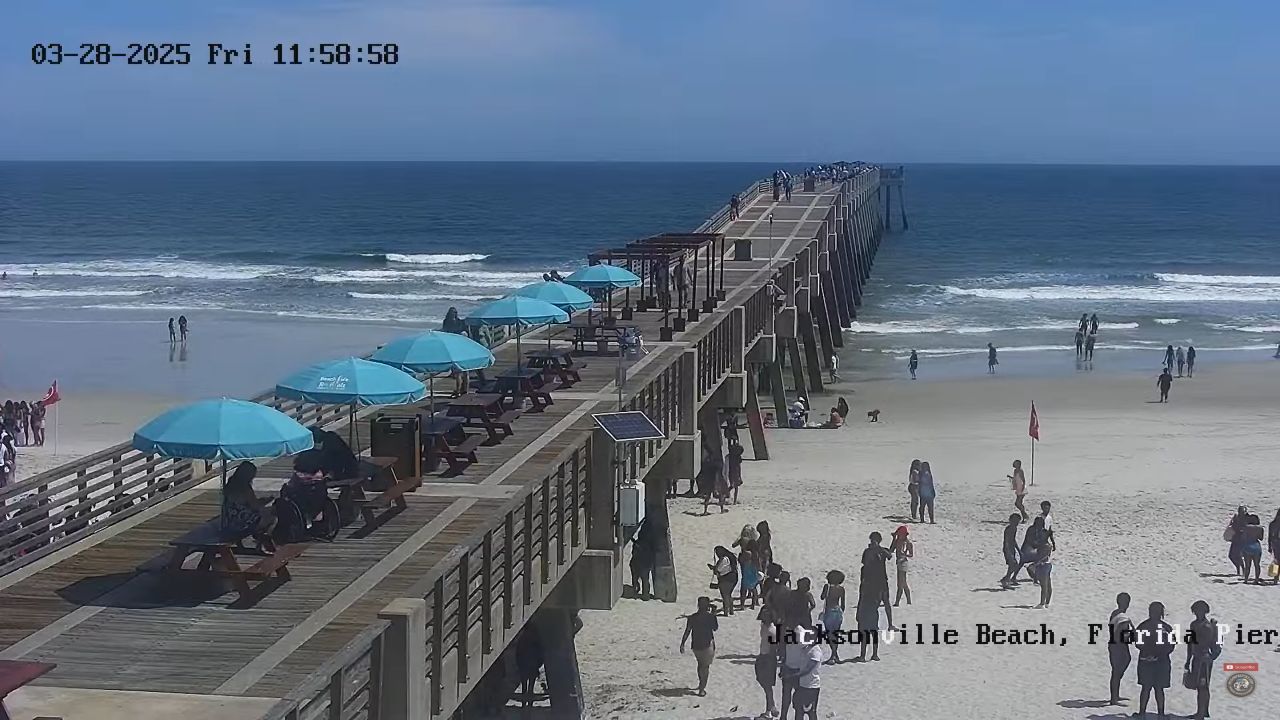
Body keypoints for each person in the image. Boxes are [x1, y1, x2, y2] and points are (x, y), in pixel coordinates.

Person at [221, 461, 277, 547]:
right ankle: (262, 536)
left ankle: (260, 536)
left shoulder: (230, 484)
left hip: (229, 520)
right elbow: (255, 506)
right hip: (242, 524)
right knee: (273, 514)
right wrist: (266, 501)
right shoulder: (245, 488)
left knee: (266, 512)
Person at [1134, 601, 1174, 719]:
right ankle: (1160, 714)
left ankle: (1142, 713)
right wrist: (1159, 654)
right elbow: (1171, 646)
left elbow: (1138, 644)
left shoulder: (1143, 626)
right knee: (1159, 689)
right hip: (1162, 661)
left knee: (1146, 688)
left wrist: (1149, 653)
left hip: (1146, 660)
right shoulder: (1166, 628)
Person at [1185, 600, 1221, 720]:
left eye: (1199, 611)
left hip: (1204, 660)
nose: (1197, 613)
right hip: (1198, 658)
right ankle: (1203, 711)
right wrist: (1188, 659)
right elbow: (1190, 643)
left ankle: (1201, 713)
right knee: (1201, 686)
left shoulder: (1207, 626)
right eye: (1196, 611)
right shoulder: (1195, 624)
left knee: (1203, 686)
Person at [679, 596, 719, 697]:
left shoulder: (692, 617)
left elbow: (687, 631)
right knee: (705, 667)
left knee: (700, 664)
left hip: (696, 645)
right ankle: (702, 689)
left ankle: (701, 683)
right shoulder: (710, 617)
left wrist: (682, 643)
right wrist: (714, 614)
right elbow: (715, 628)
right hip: (707, 645)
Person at [790, 627, 827, 719]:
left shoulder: (816, 651)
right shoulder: (806, 648)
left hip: (811, 687)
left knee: (810, 711)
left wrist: (793, 676)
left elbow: (808, 669)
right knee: (799, 710)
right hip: (803, 685)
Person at [1108, 592, 1135, 705]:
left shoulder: (1115, 613)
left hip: (1114, 644)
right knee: (1117, 671)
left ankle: (1115, 694)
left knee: (1117, 670)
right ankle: (1114, 698)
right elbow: (1123, 634)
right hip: (1119, 645)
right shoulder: (1123, 617)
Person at [754, 611, 779, 720]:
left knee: (767, 685)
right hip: (763, 656)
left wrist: (768, 661)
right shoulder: (764, 627)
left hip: (768, 659)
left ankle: (769, 711)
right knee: (763, 682)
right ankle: (772, 705)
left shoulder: (771, 631)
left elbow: (773, 649)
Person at [819, 570, 846, 664]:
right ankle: (835, 656)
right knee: (836, 634)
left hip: (829, 612)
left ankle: (833, 655)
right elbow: (843, 604)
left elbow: (822, 597)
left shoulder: (827, 587)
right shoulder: (841, 589)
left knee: (829, 634)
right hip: (838, 611)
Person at [629, 519, 656, 600]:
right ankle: (645, 595)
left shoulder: (637, 543)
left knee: (635, 578)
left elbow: (633, 553)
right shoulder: (649, 542)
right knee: (645, 579)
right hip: (645, 563)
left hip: (636, 562)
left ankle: (635, 592)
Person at [710, 546, 739, 615]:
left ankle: (726, 612)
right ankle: (731, 611)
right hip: (734, 577)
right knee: (729, 595)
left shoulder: (723, 559)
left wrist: (713, 568)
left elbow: (718, 569)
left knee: (725, 595)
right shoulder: (730, 557)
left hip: (726, 578)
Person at [891, 525, 913, 606]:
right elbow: (891, 549)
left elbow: (911, 554)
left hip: (903, 562)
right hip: (899, 562)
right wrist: (893, 539)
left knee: (902, 582)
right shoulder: (897, 541)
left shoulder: (908, 543)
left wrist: (905, 555)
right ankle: (907, 601)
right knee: (902, 582)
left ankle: (899, 602)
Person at [1225, 505, 1250, 576]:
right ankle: (1238, 568)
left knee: (1238, 555)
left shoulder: (1246, 519)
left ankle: (1242, 569)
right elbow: (1231, 526)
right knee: (1231, 556)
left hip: (1242, 539)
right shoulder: (1236, 517)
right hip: (1235, 539)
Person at [1241, 513, 1265, 583]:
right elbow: (1261, 538)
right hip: (1256, 546)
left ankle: (1246, 580)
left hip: (1248, 546)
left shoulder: (1246, 527)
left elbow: (1243, 537)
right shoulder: (1260, 528)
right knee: (1257, 565)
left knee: (1247, 565)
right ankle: (1256, 579)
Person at [1000, 513, 1023, 587]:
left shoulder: (1014, 529)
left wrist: (1018, 550)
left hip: (1012, 548)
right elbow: (1006, 540)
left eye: (1017, 522)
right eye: (1015, 521)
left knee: (1012, 565)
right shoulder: (1008, 529)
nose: (1016, 523)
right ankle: (1006, 579)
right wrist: (1008, 551)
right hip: (1008, 549)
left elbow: (1013, 540)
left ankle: (1006, 579)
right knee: (1014, 564)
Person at [1032, 543, 1053, 608]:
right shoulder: (1049, 546)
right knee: (1048, 584)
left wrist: (1035, 564)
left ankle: (1042, 604)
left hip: (1042, 565)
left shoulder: (1043, 546)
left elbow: (1041, 557)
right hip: (1048, 564)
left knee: (1044, 586)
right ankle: (1047, 603)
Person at [1269, 508, 1280, 586]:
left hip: (1275, 543)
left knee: (1276, 561)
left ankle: (1276, 578)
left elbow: (1270, 536)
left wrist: (1269, 546)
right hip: (1276, 542)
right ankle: (1276, 578)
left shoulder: (1273, 523)